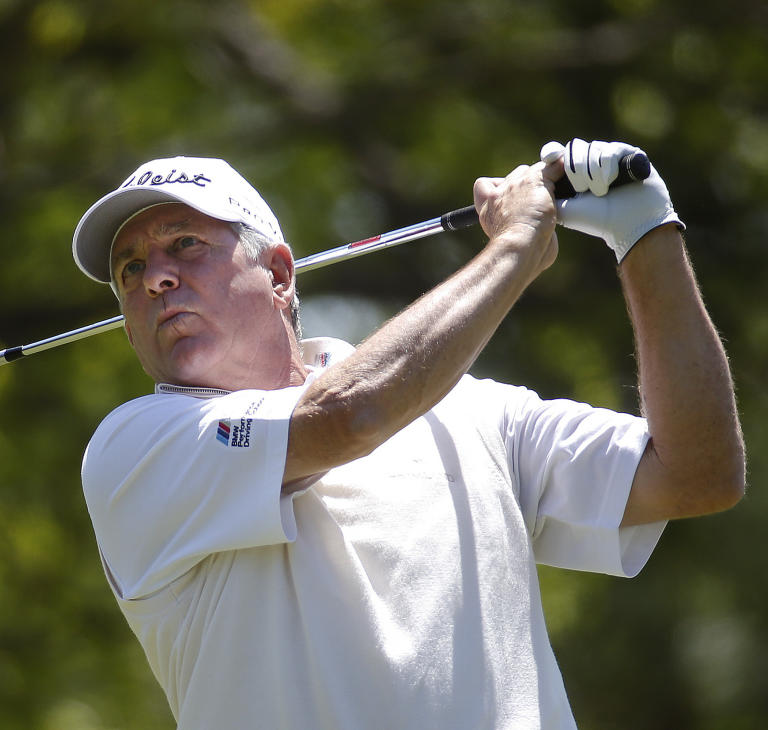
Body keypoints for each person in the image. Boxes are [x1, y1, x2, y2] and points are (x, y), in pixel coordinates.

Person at [70, 140, 745, 729]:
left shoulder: (473, 412)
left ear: (278, 275)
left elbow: (698, 473)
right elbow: (346, 418)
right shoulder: (133, 449)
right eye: (130, 268)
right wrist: (516, 245)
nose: (155, 277)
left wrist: (646, 234)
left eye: (186, 244)